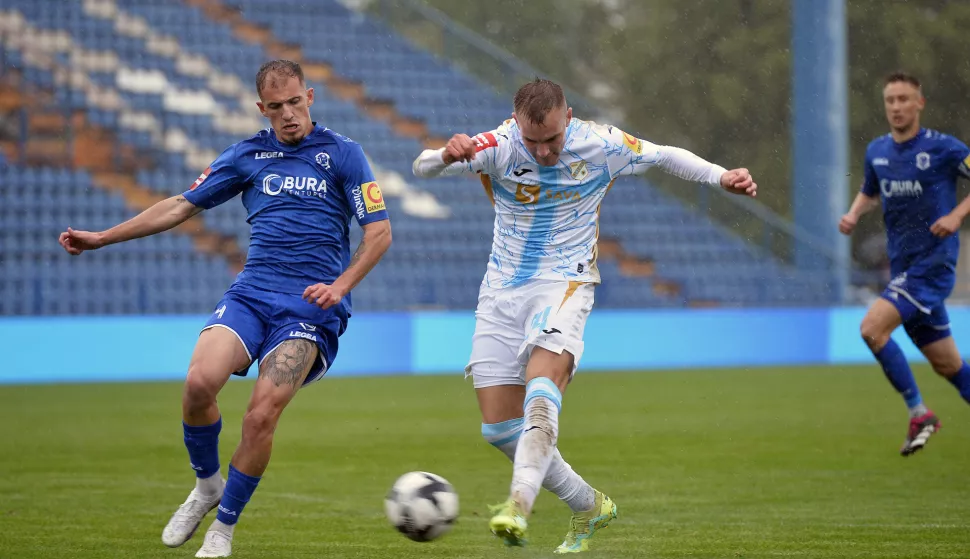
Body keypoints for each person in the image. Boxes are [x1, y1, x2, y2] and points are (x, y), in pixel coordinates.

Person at [58, 60, 391, 558]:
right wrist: (103, 237)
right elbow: (180, 205)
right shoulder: (247, 156)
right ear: (262, 109)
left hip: (308, 310)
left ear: (311, 97)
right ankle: (207, 485)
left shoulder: (345, 155)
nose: (288, 115)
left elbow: (379, 231)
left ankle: (224, 527)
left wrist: (341, 286)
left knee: (259, 418)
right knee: (197, 384)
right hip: (252, 294)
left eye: (295, 102)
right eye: (276, 107)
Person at [412, 78, 756, 552]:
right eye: (534, 142)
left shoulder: (601, 144)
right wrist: (447, 155)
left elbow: (663, 154)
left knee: (541, 394)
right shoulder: (499, 145)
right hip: (500, 292)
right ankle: (588, 506)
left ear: (568, 117)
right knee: (498, 429)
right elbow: (422, 167)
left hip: (565, 284)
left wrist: (720, 176)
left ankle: (517, 505)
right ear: (516, 125)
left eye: (552, 139)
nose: (545, 151)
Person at [839, 71, 970, 456]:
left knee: (871, 328)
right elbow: (870, 191)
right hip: (903, 268)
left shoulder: (944, 148)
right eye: (890, 101)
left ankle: (919, 414)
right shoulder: (877, 151)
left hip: (933, 266)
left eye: (903, 99)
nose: (896, 107)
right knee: (948, 365)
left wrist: (957, 216)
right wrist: (853, 213)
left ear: (919, 103)